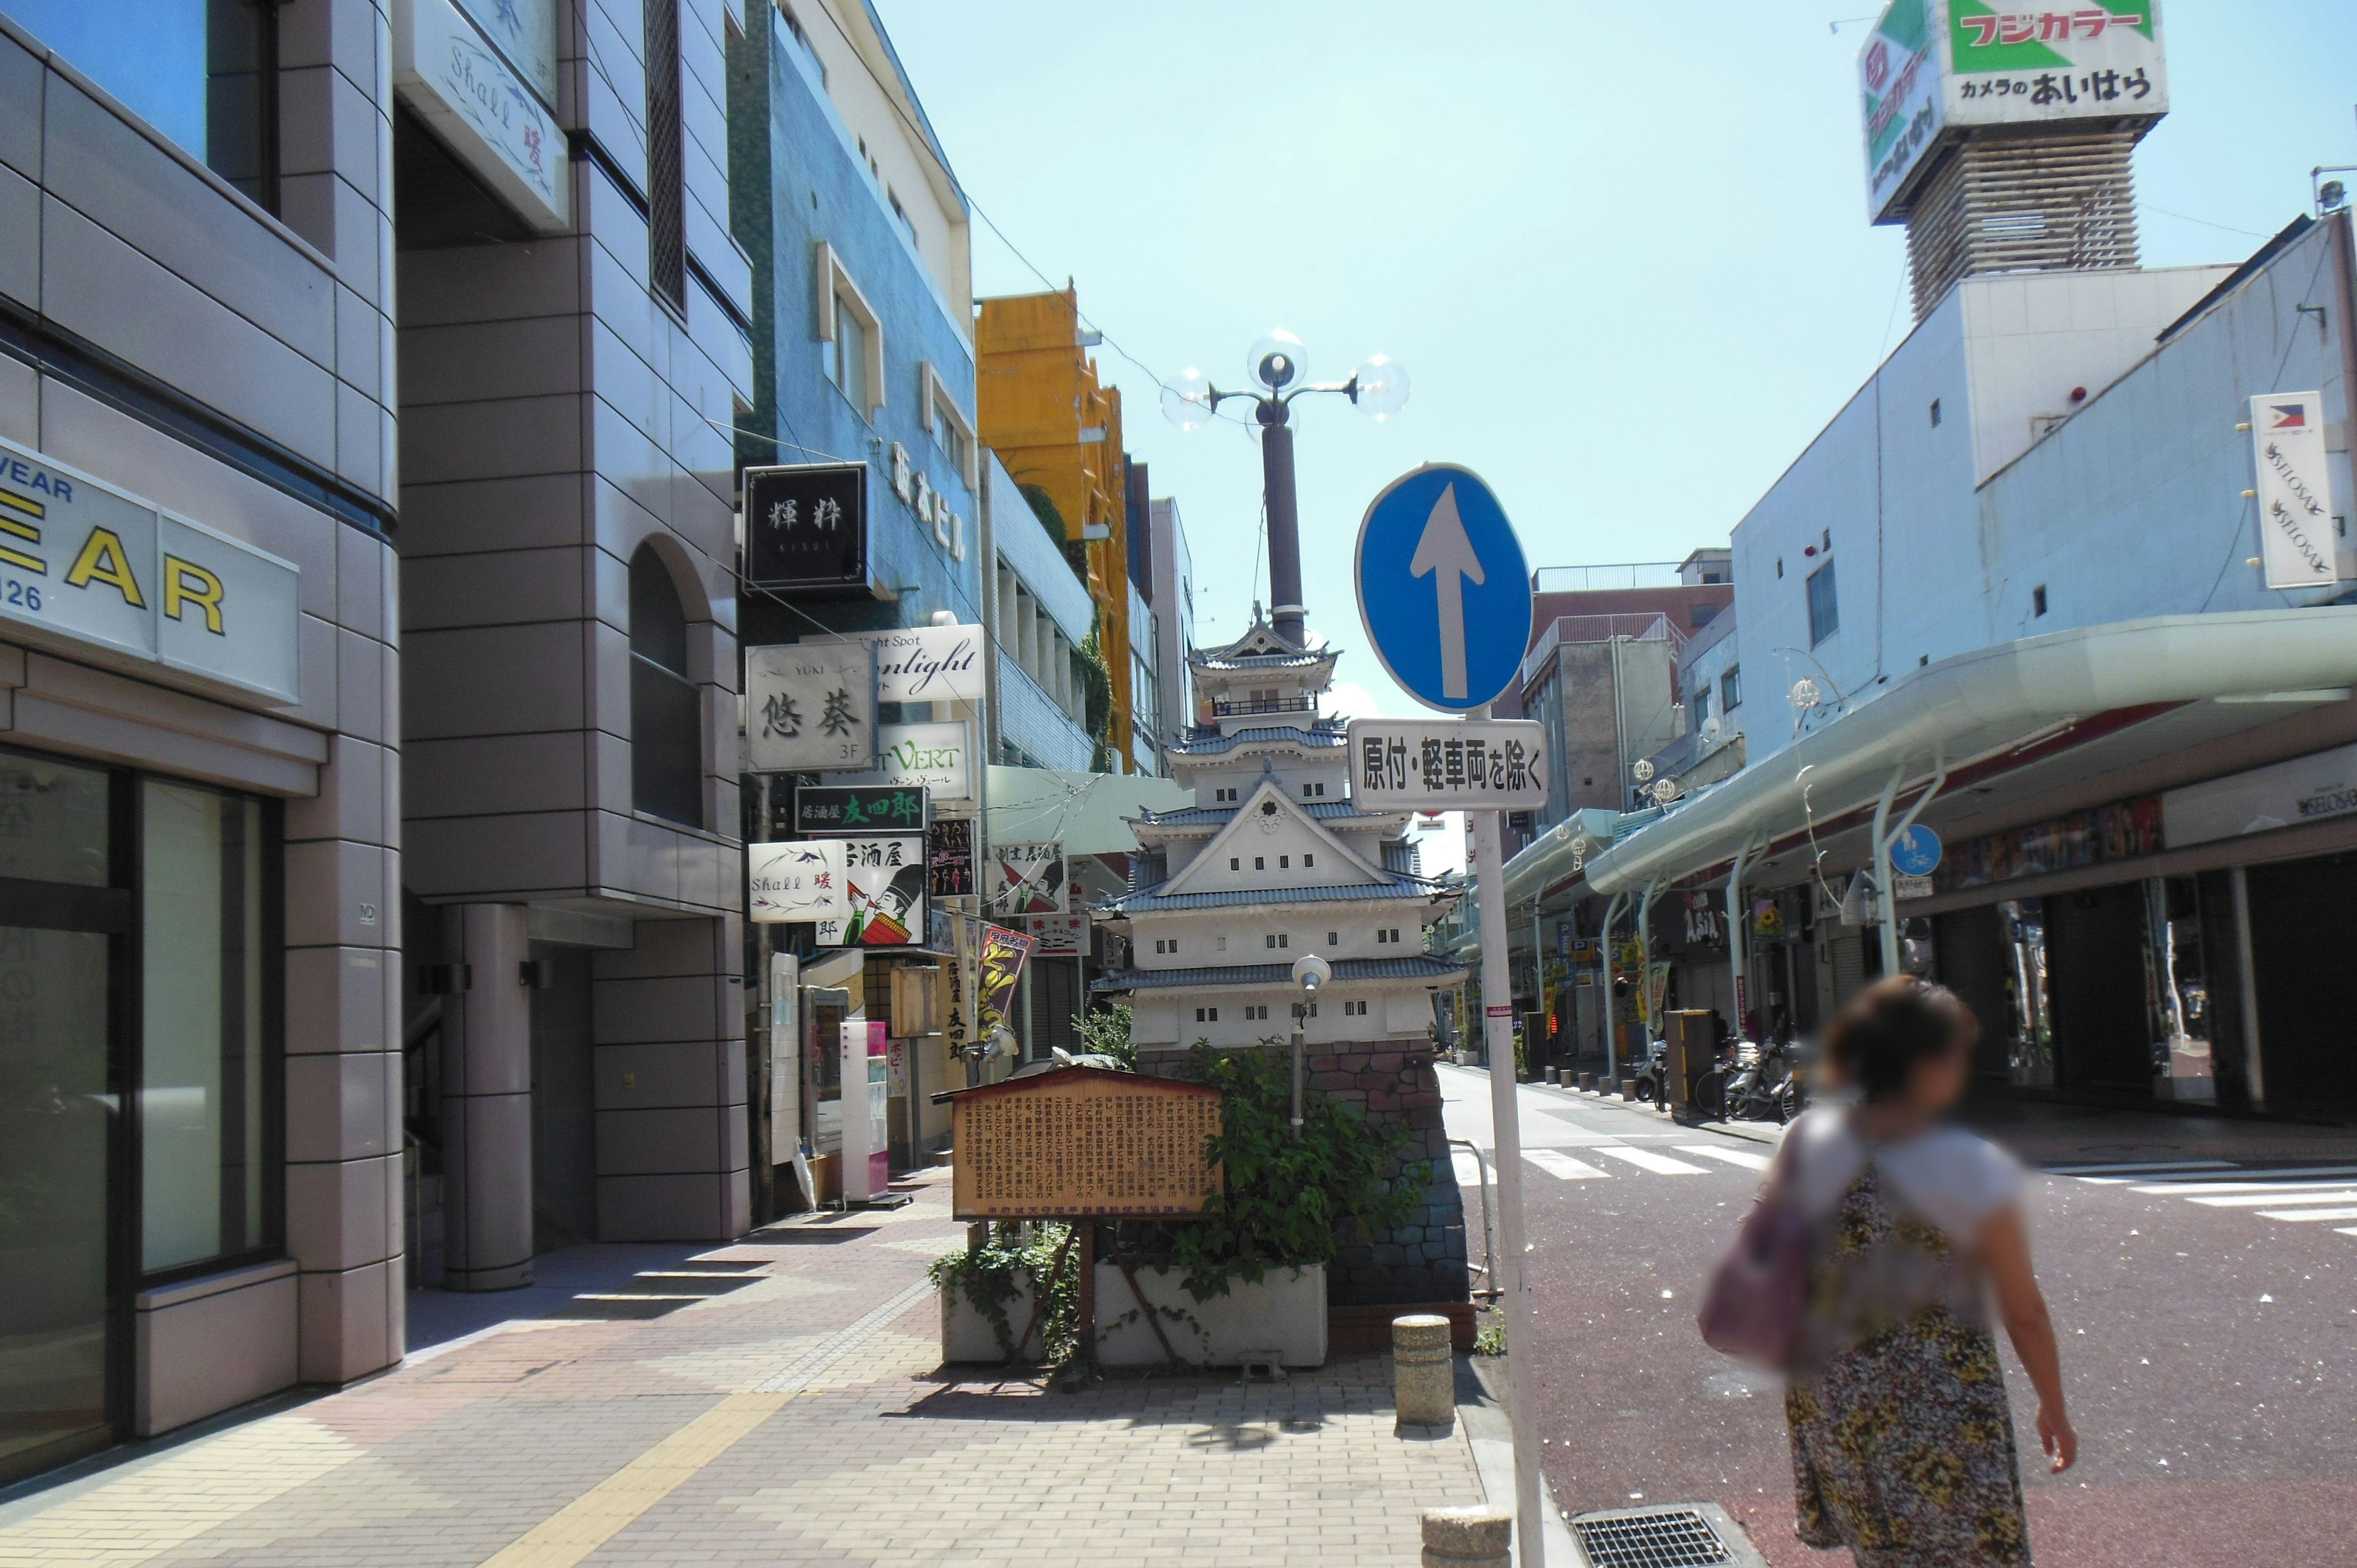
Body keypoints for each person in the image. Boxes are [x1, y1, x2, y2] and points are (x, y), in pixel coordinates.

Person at [1776, 976, 2075, 1568]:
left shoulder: (1807, 1140)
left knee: (1880, 1555)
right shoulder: (1970, 1166)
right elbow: (2023, 1309)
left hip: (1839, 1404)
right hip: (1944, 1415)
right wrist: (2053, 1404)